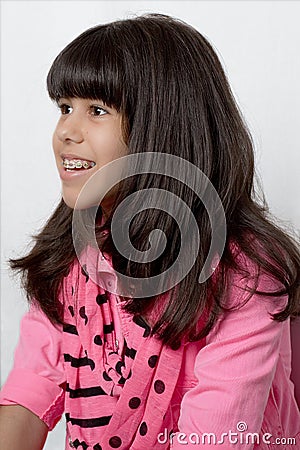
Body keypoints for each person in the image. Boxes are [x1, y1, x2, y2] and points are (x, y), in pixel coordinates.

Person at [0, 13, 299, 450]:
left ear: (162, 127)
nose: (66, 131)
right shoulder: (72, 253)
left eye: (97, 111)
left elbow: (213, 436)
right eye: (65, 108)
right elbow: (28, 395)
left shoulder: (245, 273)